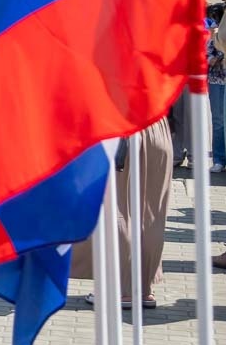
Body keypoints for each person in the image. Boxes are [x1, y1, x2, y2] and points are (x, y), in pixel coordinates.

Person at [72, 116, 174, 307]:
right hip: (158, 130)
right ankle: (143, 289)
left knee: (118, 209)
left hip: (123, 130)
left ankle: (122, 289)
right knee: (151, 214)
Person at [209, 3, 226, 173]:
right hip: (216, 79)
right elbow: (208, 52)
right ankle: (219, 159)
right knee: (218, 121)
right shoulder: (214, 29)